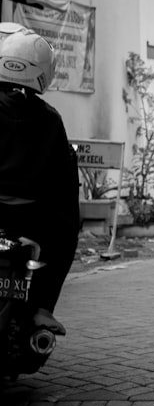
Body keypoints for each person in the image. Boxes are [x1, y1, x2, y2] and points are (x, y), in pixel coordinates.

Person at [0, 23, 79, 336]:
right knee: (67, 227)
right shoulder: (49, 118)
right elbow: (64, 180)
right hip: (30, 220)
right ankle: (43, 307)